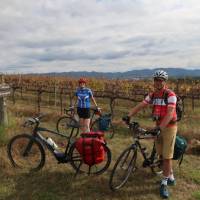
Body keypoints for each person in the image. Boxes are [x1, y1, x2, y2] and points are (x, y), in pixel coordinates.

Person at [123, 70, 177, 199]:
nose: (158, 82)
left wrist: (160, 128)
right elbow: (142, 105)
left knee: (167, 156)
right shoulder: (153, 95)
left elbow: (170, 114)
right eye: (156, 80)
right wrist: (128, 115)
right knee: (161, 154)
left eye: (160, 80)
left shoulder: (170, 95)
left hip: (169, 127)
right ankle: (171, 175)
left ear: (164, 82)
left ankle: (164, 183)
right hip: (158, 126)